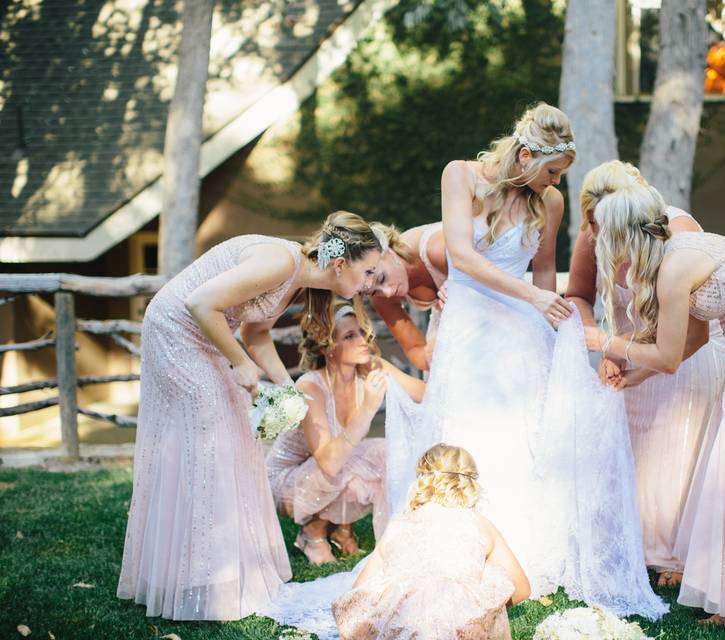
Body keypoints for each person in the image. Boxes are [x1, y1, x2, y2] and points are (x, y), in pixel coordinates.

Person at [398, 102, 667, 618]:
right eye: (551, 170)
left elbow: (544, 269)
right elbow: (464, 256)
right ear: (524, 154)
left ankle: (520, 549)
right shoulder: (460, 176)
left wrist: (550, 328)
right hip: (470, 327)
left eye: (559, 174)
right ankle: (457, 541)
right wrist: (533, 299)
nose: (554, 181)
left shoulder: (551, 202)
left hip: (523, 329)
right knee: (469, 427)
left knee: (523, 434)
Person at [117, 211, 384, 620]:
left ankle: (219, 573)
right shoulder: (281, 262)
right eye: (368, 272)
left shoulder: (297, 278)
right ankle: (198, 580)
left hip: (204, 335)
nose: (369, 283)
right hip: (175, 332)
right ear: (340, 264)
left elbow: (255, 333)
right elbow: (200, 302)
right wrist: (241, 365)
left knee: (236, 442)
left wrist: (287, 388)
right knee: (211, 445)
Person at [585, 186, 725, 629]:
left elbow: (669, 356)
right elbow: (692, 341)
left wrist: (605, 343)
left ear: (622, 237)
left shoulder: (674, 267)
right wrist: (633, 376)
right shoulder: (671, 259)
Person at [566, 160, 725, 588]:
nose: (597, 232)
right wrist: (606, 346)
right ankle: (636, 547)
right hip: (628, 353)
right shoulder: (594, 230)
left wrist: (618, 348)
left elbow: (694, 333)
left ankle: (683, 553)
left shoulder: (679, 233)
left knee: (681, 449)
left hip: (685, 354)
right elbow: (578, 295)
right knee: (636, 456)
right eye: (593, 221)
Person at [266, 302, 425, 564]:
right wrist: (369, 406)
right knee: (365, 458)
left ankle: (342, 530)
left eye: (362, 332)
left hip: (331, 472)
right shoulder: (311, 387)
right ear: (329, 347)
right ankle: (313, 533)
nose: (363, 341)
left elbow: (422, 393)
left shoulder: (369, 367)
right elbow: (329, 463)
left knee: (384, 456)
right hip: (289, 482)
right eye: (350, 336)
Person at [332, 443, 529, 639]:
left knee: (388, 582)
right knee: (490, 574)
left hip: (402, 624)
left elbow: (360, 590)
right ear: (469, 484)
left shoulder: (399, 526)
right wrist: (483, 608)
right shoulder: (480, 525)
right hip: (460, 627)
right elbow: (522, 588)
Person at [366, 222, 448, 371]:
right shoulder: (380, 296)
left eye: (382, 278)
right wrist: (430, 355)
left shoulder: (435, 249)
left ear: (388, 252)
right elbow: (414, 348)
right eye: (374, 291)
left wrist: (460, 287)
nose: (387, 293)